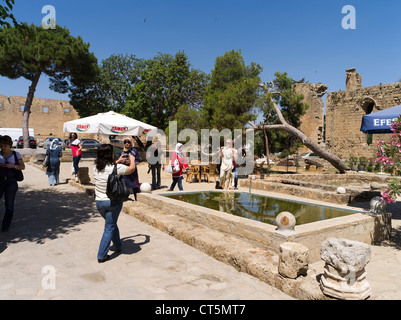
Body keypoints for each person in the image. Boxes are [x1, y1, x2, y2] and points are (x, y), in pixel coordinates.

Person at [93, 144, 136, 263]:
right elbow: (131, 169)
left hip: (99, 202)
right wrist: (132, 160)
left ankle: (118, 246)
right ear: (110, 154)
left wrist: (118, 161)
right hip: (112, 202)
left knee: (111, 224)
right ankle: (101, 255)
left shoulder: (95, 168)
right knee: (109, 226)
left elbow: (108, 168)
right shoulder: (117, 168)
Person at [0, 135, 25, 232]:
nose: (3, 148)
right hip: (0, 181)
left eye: (5, 146)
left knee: (9, 204)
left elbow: (22, 166)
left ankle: (5, 225)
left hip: (11, 181)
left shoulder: (16, 154)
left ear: (10, 145)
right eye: (1, 146)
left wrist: (13, 166)